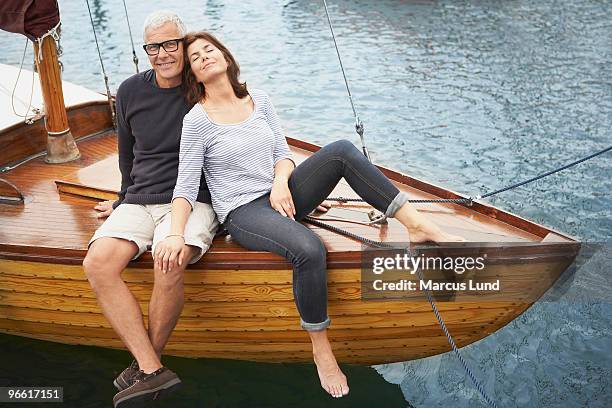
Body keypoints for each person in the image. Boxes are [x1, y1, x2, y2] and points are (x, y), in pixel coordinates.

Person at [154, 31, 463, 399]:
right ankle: (321, 348)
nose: (204, 57)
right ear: (193, 75)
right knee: (310, 249)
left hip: (279, 193)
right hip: (242, 211)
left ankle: (417, 225)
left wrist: (281, 181)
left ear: (225, 56)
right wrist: (175, 233)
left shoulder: (260, 100)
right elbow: (185, 187)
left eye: (209, 49)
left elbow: (283, 154)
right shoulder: (197, 120)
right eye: (195, 58)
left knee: (341, 151)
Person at [82, 12, 218, 408]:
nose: (161, 54)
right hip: (140, 198)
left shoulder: (204, 89)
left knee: (168, 258)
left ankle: (146, 369)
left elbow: (241, 141)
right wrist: (122, 198)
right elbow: (129, 154)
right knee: (97, 263)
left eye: (170, 44)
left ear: (184, 43)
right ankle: (152, 369)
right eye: (153, 47)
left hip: (193, 200)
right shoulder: (129, 91)